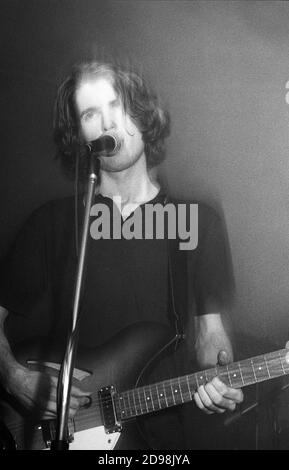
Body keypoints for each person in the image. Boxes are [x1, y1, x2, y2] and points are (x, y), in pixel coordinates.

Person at [0, 59, 243, 449]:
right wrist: (12, 376)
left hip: (157, 440)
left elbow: (209, 336)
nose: (106, 122)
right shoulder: (53, 223)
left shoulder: (197, 221)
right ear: (80, 134)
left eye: (116, 105)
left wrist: (224, 376)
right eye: (90, 113)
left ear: (144, 116)